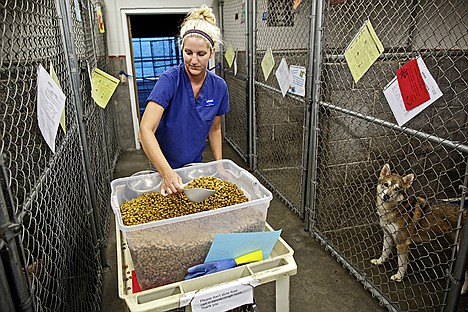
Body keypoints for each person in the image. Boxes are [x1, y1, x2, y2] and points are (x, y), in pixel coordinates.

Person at [139, 5, 229, 197]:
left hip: (193, 166)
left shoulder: (219, 87)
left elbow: (214, 129)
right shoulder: (170, 80)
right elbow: (145, 130)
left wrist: (219, 165)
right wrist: (166, 172)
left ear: (212, 53)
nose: (193, 60)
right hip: (162, 165)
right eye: (188, 52)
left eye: (201, 54)